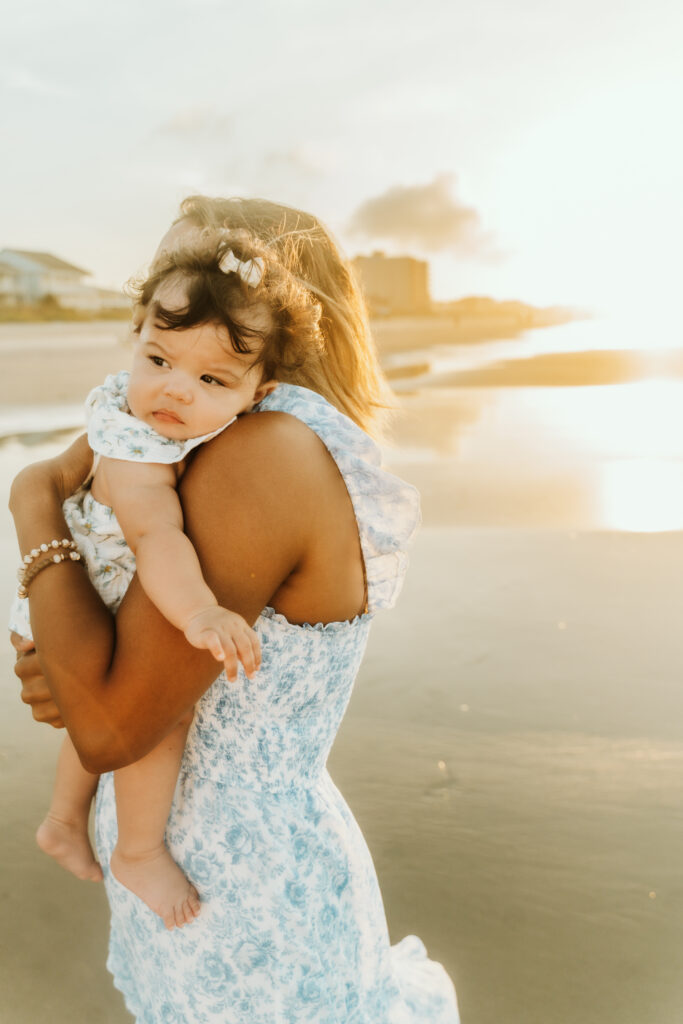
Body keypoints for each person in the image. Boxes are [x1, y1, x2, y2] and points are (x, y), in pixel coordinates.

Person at [11, 196, 459, 1022]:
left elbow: (111, 726)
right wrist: (78, 671)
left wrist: (33, 504)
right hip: (200, 878)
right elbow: (117, 688)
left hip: (244, 896)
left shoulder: (263, 455)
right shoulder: (213, 434)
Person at [9, 229, 324, 929]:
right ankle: (139, 849)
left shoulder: (126, 414)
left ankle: (64, 818)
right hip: (98, 587)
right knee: (160, 716)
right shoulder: (141, 449)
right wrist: (199, 615)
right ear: (136, 339)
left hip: (75, 587)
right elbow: (157, 538)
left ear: (258, 392)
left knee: (106, 715)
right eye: (157, 359)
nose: (174, 391)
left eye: (211, 380)